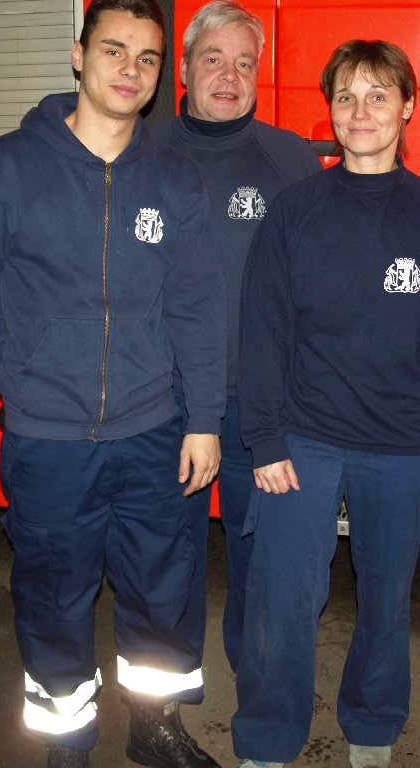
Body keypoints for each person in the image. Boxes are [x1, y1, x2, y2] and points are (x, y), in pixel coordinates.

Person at [0, 0, 228, 766]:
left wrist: (203, 418)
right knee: (53, 595)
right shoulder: (8, 168)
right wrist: (22, 375)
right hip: (49, 441)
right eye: (114, 50)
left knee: (161, 593)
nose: (131, 70)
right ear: (78, 55)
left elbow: (199, 306)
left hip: (154, 433)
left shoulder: (174, 179)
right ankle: (66, 745)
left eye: (148, 58)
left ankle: (154, 728)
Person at [230, 40, 420, 768]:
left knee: (386, 595)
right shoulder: (295, 210)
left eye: (378, 96)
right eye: (346, 96)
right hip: (305, 438)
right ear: (331, 112)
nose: (361, 111)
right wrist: (265, 438)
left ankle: (372, 725)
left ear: (407, 107)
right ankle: (267, 737)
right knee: (283, 596)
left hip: (405, 442)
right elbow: (264, 330)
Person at [150, 0, 322, 674]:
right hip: (163, 404)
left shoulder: (291, 158)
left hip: (262, 409)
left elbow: (321, 281)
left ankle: (259, 696)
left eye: (244, 63)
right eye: (214, 59)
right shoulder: (142, 153)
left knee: (263, 564)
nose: (229, 75)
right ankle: (162, 705)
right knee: (167, 562)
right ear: (184, 69)